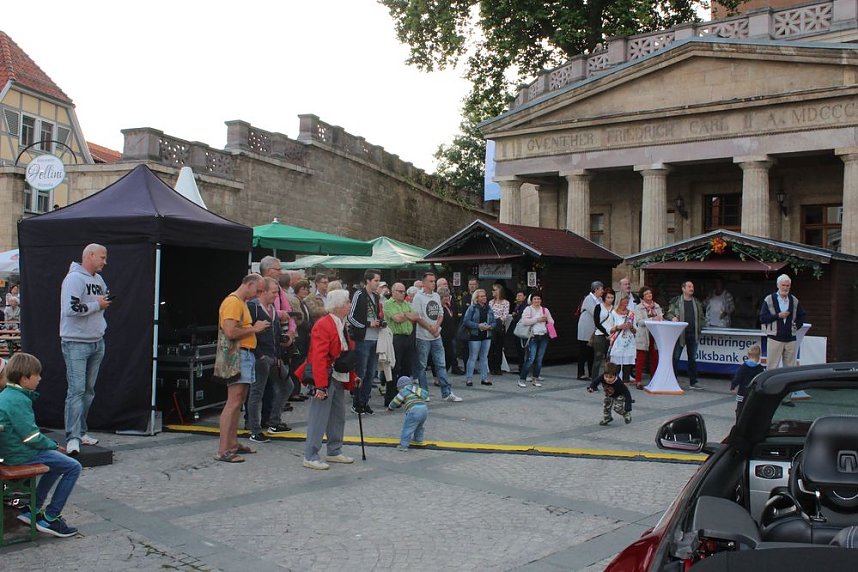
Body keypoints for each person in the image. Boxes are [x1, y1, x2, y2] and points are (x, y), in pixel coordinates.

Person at [0, 353, 82, 537]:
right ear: (24, 378)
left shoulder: (7, 394)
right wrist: (52, 445)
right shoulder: (18, 400)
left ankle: (33, 508)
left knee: (57, 464)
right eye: (37, 374)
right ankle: (51, 518)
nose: (40, 378)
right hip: (19, 454)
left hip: (10, 450)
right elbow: (31, 437)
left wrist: (49, 446)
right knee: (73, 467)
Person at [295, 289, 359, 470]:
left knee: (338, 415)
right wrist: (320, 385)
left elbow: (344, 353)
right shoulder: (325, 324)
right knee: (319, 416)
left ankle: (334, 450)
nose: (349, 305)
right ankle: (311, 454)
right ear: (338, 305)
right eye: (347, 302)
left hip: (338, 374)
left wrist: (353, 376)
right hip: (326, 375)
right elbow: (318, 356)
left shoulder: (340, 323)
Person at [60, 243, 111, 456]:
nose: (105, 262)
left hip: (96, 340)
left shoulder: (98, 280)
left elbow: (100, 300)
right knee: (77, 390)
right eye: (102, 257)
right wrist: (97, 305)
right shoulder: (74, 279)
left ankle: (81, 431)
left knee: (88, 391)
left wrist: (103, 302)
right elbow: (70, 309)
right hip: (76, 342)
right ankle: (72, 437)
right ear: (89, 256)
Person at [214, 273, 269, 463]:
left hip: (245, 354)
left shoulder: (241, 302)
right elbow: (230, 332)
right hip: (238, 355)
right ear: (249, 284)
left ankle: (232, 443)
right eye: (258, 289)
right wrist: (255, 328)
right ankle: (223, 450)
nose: (258, 293)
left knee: (239, 401)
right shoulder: (233, 302)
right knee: (233, 402)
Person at [246, 277, 293, 443]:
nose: (276, 295)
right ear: (263, 291)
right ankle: (255, 429)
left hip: (272, 356)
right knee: (256, 392)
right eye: (273, 292)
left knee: (287, 385)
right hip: (261, 357)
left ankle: (274, 421)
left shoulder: (271, 308)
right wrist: (259, 355)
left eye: (277, 292)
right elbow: (248, 333)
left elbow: (275, 333)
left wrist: (283, 343)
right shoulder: (253, 307)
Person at [412, 272, 462, 402]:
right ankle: (424, 393)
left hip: (436, 335)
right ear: (423, 283)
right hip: (423, 336)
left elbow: (440, 313)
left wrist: (436, 327)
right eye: (430, 281)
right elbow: (418, 316)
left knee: (441, 364)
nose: (433, 283)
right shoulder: (418, 297)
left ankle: (447, 392)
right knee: (422, 366)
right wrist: (430, 327)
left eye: (434, 281)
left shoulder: (435, 295)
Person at [347, 269, 384, 415]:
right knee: (361, 372)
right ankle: (356, 403)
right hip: (363, 339)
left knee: (370, 373)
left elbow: (376, 315)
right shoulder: (359, 294)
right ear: (368, 281)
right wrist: (368, 324)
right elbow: (351, 317)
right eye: (375, 280)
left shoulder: (376, 296)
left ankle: (365, 401)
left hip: (375, 338)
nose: (377, 283)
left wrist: (379, 322)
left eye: (378, 280)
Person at [759, 274, 806, 370]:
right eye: (783, 285)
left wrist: (795, 327)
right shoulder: (769, 299)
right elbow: (762, 318)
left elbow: (802, 316)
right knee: (772, 368)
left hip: (790, 339)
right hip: (774, 338)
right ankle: (771, 385)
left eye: (787, 286)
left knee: (790, 369)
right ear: (778, 285)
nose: (785, 288)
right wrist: (778, 316)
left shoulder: (794, 300)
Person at [382, 282, 418, 407]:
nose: (403, 294)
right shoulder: (388, 304)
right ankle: (390, 397)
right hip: (395, 338)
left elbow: (415, 316)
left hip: (408, 337)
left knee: (406, 368)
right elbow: (396, 319)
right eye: (400, 291)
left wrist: (405, 315)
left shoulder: (406, 303)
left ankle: (403, 395)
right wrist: (407, 315)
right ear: (393, 292)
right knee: (394, 368)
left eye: (404, 291)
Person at [666, 280, 706, 390]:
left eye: (692, 286)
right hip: (680, 335)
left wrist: (700, 328)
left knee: (692, 359)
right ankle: (672, 380)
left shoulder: (697, 303)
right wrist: (672, 318)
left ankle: (693, 382)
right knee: (675, 358)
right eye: (689, 286)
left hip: (693, 334)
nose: (691, 288)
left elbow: (702, 318)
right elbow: (669, 313)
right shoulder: (676, 301)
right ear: (683, 289)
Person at [517, 293, 554, 388]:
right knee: (530, 358)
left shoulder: (545, 310)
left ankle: (535, 378)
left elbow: (551, 321)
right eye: (535, 299)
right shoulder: (528, 309)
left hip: (543, 335)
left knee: (539, 359)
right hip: (532, 336)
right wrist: (538, 319)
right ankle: (522, 378)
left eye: (538, 299)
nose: (537, 301)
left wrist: (546, 321)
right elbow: (524, 321)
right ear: (531, 300)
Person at [386, 375, 429, 451]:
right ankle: (418, 439)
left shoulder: (404, 391)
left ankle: (404, 445)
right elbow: (425, 395)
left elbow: (396, 401)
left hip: (414, 410)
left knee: (408, 428)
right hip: (424, 409)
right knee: (419, 426)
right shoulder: (416, 389)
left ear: (401, 387)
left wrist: (390, 407)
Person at [462, 288, 494, 387]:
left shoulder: (489, 308)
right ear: (476, 298)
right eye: (481, 296)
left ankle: (484, 378)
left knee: (484, 357)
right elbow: (466, 321)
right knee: (473, 357)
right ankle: (469, 379)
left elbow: (494, 321)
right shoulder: (472, 308)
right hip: (474, 335)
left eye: (484, 296)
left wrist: (490, 326)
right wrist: (478, 325)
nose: (484, 297)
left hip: (486, 335)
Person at [634, 286, 662, 389]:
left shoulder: (657, 306)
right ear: (642, 296)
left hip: (655, 335)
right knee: (641, 359)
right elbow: (639, 322)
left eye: (650, 293)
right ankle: (638, 381)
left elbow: (661, 318)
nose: (649, 295)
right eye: (646, 294)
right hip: (644, 335)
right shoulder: (638, 307)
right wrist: (652, 319)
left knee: (654, 358)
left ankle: (654, 379)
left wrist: (659, 318)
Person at [576, 281, 603, 380]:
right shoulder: (588, 298)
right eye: (601, 289)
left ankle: (592, 373)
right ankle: (580, 373)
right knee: (583, 351)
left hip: (594, 328)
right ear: (596, 289)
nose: (602, 291)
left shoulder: (599, 299)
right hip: (586, 328)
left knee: (592, 351)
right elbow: (595, 312)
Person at [730, 344, 764, 422]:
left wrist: (733, 386)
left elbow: (738, 377)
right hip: (753, 392)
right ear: (759, 355)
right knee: (752, 407)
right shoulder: (759, 368)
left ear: (748, 355)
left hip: (742, 391)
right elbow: (761, 379)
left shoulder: (744, 366)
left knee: (740, 408)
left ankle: (739, 422)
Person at [609, 296, 637, 383]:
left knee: (627, 366)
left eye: (627, 299)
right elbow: (610, 330)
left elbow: (635, 331)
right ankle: (615, 385)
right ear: (619, 300)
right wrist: (619, 327)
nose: (626, 301)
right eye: (624, 299)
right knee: (616, 366)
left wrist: (631, 326)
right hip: (617, 342)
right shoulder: (613, 313)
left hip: (629, 343)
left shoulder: (631, 314)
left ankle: (625, 385)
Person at [590, 288, 615, 385]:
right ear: (604, 297)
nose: (610, 299)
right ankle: (594, 382)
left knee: (609, 360)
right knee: (598, 358)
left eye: (612, 297)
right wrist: (606, 333)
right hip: (600, 335)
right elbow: (597, 323)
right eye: (608, 297)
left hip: (612, 335)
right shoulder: (598, 307)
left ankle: (608, 380)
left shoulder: (614, 308)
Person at [438, 286, 462, 377]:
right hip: (442, 336)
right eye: (445, 297)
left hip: (450, 336)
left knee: (450, 356)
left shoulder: (449, 306)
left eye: (448, 296)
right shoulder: (439, 308)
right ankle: (440, 376)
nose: (447, 298)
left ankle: (444, 373)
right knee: (442, 357)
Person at [487, 283, 510, 375]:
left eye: (494, 290)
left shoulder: (505, 302)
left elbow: (505, 316)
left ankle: (498, 367)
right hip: (491, 327)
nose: (493, 291)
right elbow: (488, 314)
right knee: (491, 347)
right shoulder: (490, 302)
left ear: (499, 291)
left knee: (499, 347)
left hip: (499, 326)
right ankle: (491, 366)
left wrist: (496, 320)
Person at [508, 291, 529, 372]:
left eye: (520, 295)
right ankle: (521, 367)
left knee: (522, 350)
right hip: (518, 330)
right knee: (519, 350)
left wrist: (515, 316)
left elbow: (521, 318)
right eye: (517, 295)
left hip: (522, 331)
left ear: (524, 297)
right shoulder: (517, 305)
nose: (518, 297)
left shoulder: (525, 306)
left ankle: (523, 368)